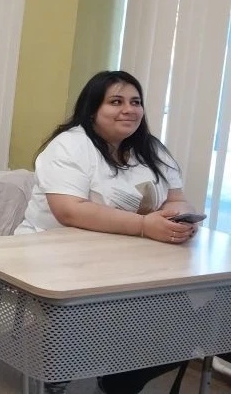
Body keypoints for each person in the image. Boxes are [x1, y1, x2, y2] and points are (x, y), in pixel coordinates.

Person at [14, 70, 197, 394]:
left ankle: (120, 376)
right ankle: (75, 368)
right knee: (128, 310)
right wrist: (145, 225)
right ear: (92, 110)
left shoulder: (150, 148)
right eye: (116, 102)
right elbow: (69, 210)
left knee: (185, 316)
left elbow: (176, 198)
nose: (129, 110)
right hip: (56, 257)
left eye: (135, 102)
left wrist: (179, 218)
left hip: (128, 256)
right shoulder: (69, 146)